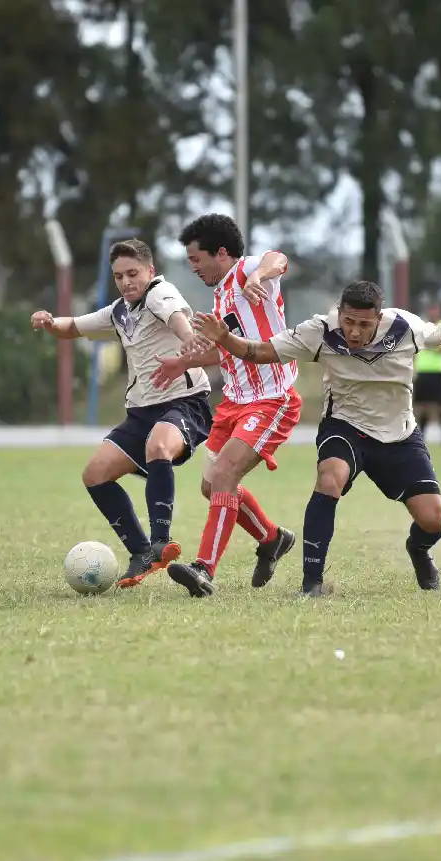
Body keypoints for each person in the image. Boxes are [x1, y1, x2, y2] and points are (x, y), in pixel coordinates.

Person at [196, 280, 441, 595]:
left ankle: (418, 550)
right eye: (348, 320)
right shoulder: (320, 330)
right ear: (339, 312)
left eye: (364, 324)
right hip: (345, 427)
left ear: (379, 318)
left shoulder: (404, 328)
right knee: (330, 478)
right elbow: (260, 352)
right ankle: (311, 583)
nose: (354, 330)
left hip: (399, 434)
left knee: (433, 520)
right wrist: (226, 338)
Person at [31, 238, 213, 587]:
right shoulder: (120, 311)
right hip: (142, 412)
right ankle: (141, 551)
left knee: (159, 446)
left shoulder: (160, 293)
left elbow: (176, 316)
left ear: (151, 271)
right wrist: (51, 322)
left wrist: (189, 338)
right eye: (119, 276)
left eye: (133, 273)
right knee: (95, 475)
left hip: (185, 402)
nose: (126, 282)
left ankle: (161, 540)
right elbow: (76, 327)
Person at [151, 213, 300, 597]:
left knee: (225, 476)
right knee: (209, 485)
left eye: (196, 260)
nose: (193, 268)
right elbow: (227, 355)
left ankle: (204, 570)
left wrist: (257, 276)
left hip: (272, 399)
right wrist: (182, 363)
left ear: (221, 253)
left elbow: (277, 258)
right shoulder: (220, 298)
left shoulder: (247, 270)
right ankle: (271, 538)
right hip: (234, 403)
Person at [412, 300, 441, 445]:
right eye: (430, 310)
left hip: (439, 372)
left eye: (435, 309)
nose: (432, 313)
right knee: (423, 407)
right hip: (423, 372)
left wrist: (437, 347)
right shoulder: (420, 327)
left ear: (439, 311)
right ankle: (422, 437)